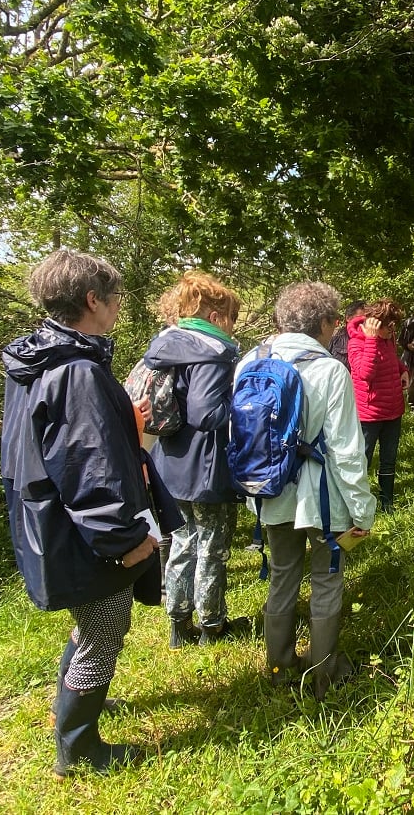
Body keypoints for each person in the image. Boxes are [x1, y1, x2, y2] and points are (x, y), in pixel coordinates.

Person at [1, 249, 157, 778]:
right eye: (114, 299)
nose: (117, 309)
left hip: (49, 518)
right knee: (104, 627)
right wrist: (123, 538)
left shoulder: (37, 358)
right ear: (92, 300)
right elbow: (91, 467)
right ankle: (79, 746)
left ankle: (78, 714)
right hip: (83, 528)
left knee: (89, 623)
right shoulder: (77, 371)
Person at [239, 281, 376, 699]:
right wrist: (363, 511)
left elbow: (241, 435)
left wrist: (252, 496)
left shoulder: (250, 360)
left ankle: (280, 668)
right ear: (324, 323)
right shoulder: (331, 371)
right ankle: (324, 673)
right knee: (327, 580)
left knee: (282, 578)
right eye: (335, 321)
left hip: (270, 491)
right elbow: (347, 451)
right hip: (323, 500)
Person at [142, 272, 245, 648]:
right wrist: (239, 405)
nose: (232, 326)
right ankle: (212, 625)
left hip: (169, 460)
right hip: (206, 465)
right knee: (212, 547)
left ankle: (177, 624)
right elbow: (205, 413)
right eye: (231, 317)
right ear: (216, 317)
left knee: (182, 542)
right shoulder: (213, 351)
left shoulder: (166, 343)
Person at [347, 299, 407, 511]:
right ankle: (358, 505)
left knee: (389, 460)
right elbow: (365, 373)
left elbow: (392, 359)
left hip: (393, 410)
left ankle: (387, 503)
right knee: (362, 460)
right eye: (389, 326)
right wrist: (371, 340)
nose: (393, 330)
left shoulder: (388, 339)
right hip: (369, 414)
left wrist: (403, 370)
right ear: (375, 324)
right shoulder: (356, 342)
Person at [328, 299, 364, 369]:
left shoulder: (372, 340)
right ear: (348, 318)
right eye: (360, 320)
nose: (364, 324)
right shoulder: (335, 338)